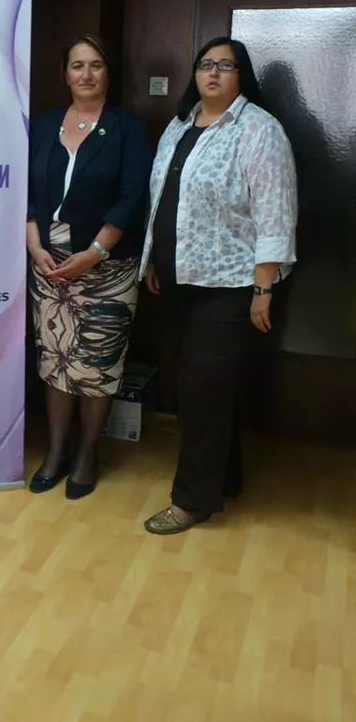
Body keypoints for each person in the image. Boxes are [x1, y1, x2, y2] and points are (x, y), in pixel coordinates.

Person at [141, 36, 297, 535]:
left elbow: (275, 212)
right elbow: (162, 197)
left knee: (202, 392)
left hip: (229, 284)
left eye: (225, 66)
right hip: (177, 278)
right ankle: (224, 479)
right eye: (205, 64)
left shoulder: (258, 129)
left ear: (240, 75)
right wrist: (153, 258)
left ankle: (191, 500)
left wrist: (263, 288)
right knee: (206, 389)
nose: (213, 73)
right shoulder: (179, 125)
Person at [26, 33, 152, 499]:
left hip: (108, 267)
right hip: (49, 264)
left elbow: (132, 197)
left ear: (108, 72)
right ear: (65, 73)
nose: (86, 73)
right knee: (55, 359)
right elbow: (27, 190)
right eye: (77, 65)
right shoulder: (42, 124)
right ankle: (56, 451)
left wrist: (95, 252)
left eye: (95, 64)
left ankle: (86, 455)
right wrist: (34, 245)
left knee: (96, 365)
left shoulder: (128, 129)